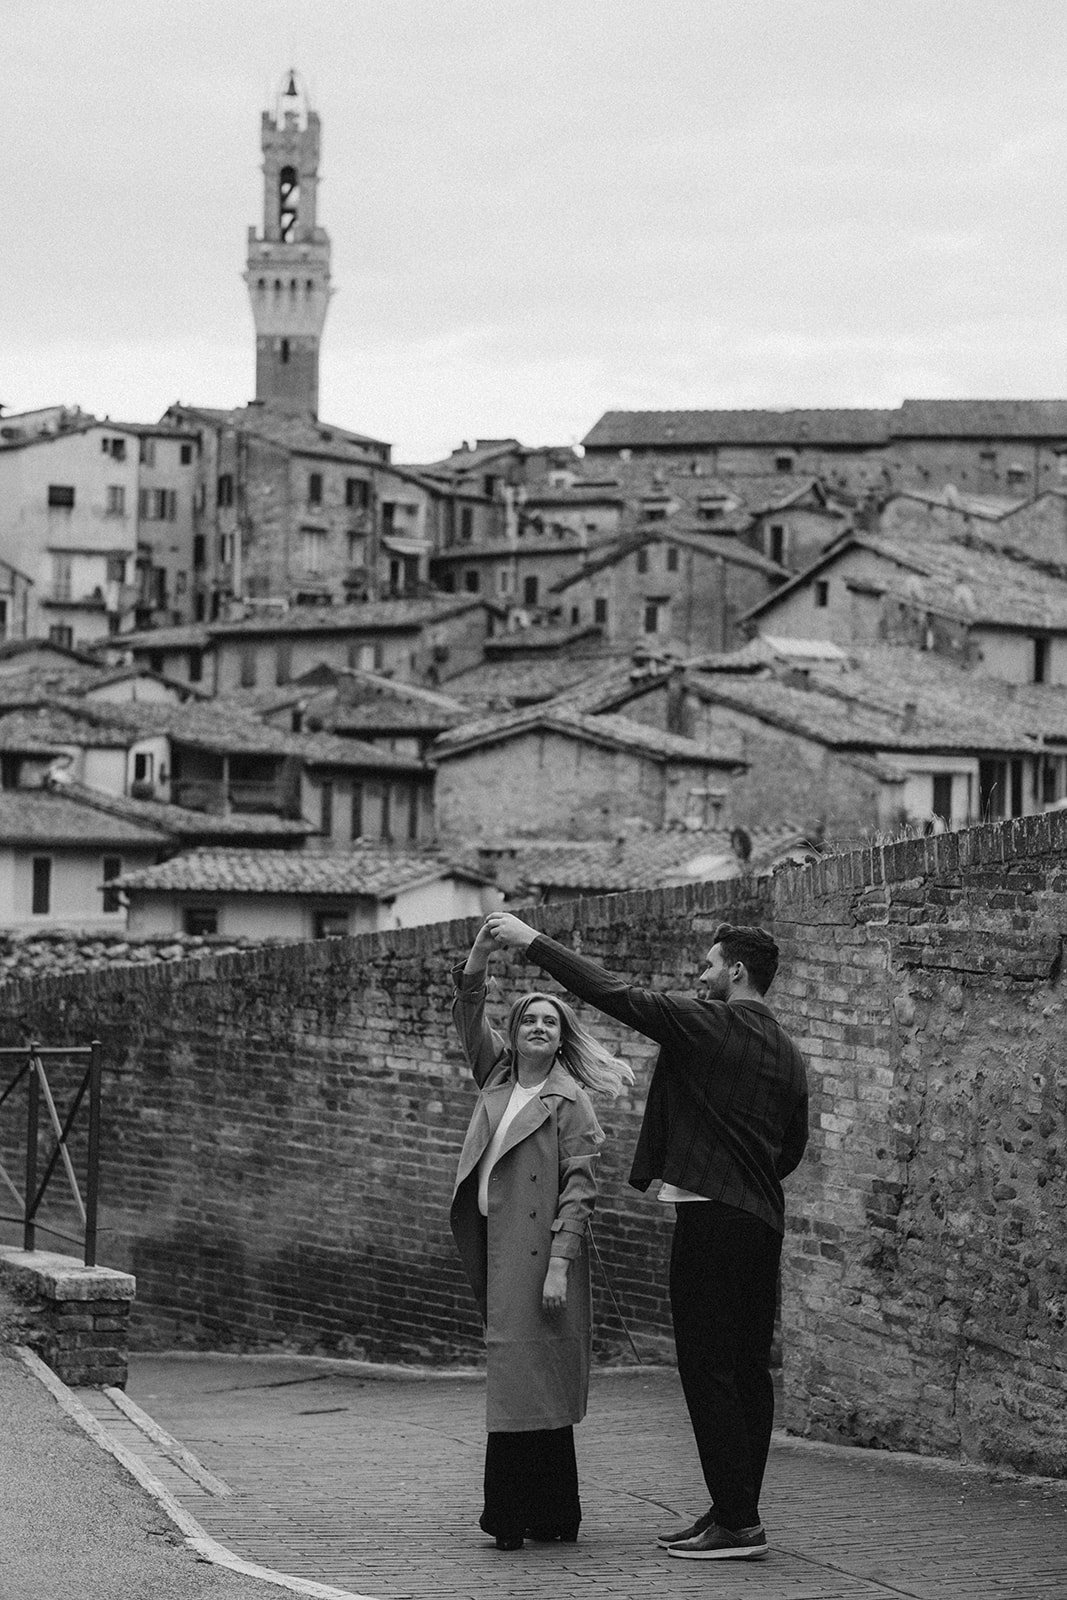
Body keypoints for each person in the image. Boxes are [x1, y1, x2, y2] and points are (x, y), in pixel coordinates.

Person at [485, 911, 809, 1563]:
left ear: (736, 972)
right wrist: (745, 1181)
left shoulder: (708, 1020)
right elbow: (791, 1147)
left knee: (707, 1366)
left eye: (708, 965)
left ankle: (739, 1524)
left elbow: (613, 993)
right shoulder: (788, 1051)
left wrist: (533, 942)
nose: (700, 974)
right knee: (748, 1370)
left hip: (712, 1219)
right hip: (760, 1219)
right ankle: (731, 1507)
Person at [449, 919, 634, 1552]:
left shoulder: (571, 1103)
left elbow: (580, 1192)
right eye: (529, 1018)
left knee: (524, 1378)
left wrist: (559, 1265)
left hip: (539, 1260)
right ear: (515, 1031)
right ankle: (556, 1515)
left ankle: (508, 1518)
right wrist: (479, 951)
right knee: (529, 1376)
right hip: (496, 1249)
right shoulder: (495, 1078)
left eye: (550, 1022)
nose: (537, 1027)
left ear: (562, 1040)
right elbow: (469, 1010)